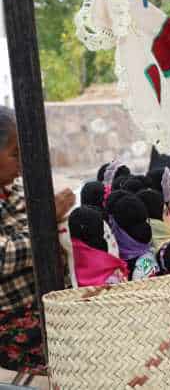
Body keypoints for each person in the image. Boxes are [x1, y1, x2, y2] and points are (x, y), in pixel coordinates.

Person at [0, 106, 75, 374]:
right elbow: (4, 256)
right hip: (13, 321)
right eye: (15, 155)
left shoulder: (14, 188)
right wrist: (45, 221)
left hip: (43, 303)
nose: (21, 165)